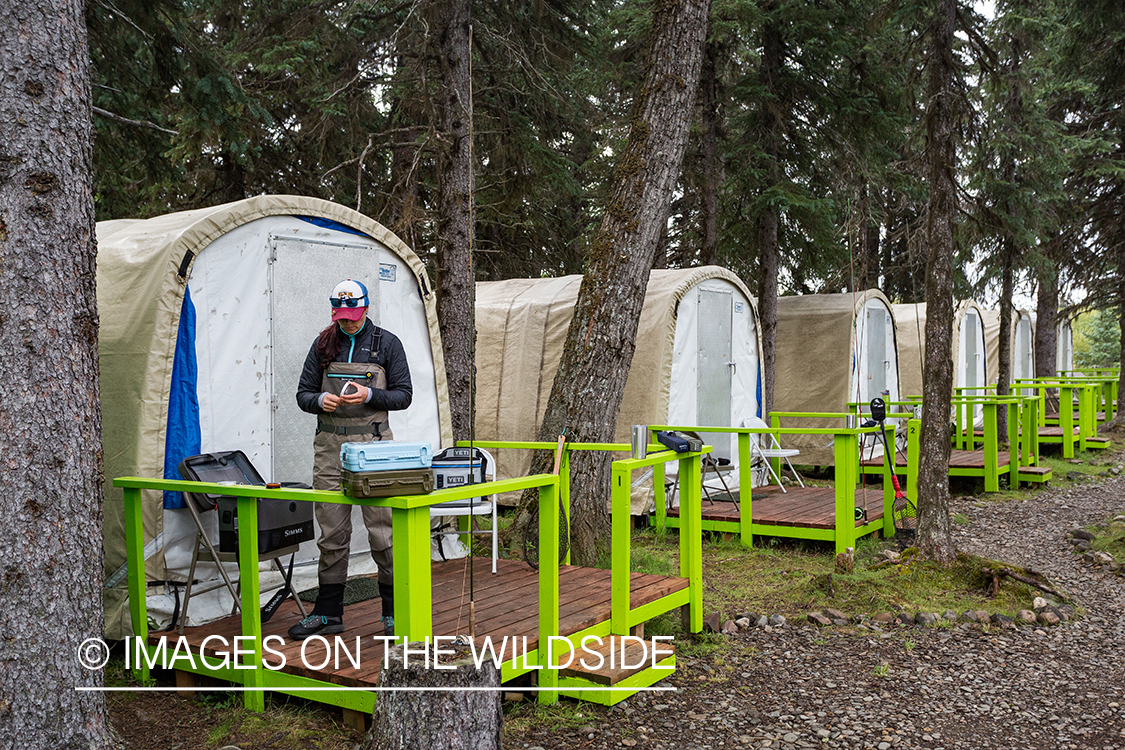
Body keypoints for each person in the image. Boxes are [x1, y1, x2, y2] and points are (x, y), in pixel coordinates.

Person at [287, 279, 413, 640]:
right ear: (334, 312)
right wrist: (318, 402)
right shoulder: (323, 343)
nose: (348, 323)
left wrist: (370, 394)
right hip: (329, 448)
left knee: (383, 532)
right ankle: (328, 614)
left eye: (354, 316)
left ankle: (393, 613)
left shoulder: (387, 344)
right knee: (332, 532)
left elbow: (403, 396)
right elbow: (302, 393)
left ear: (366, 308)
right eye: (342, 317)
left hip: (374, 448)